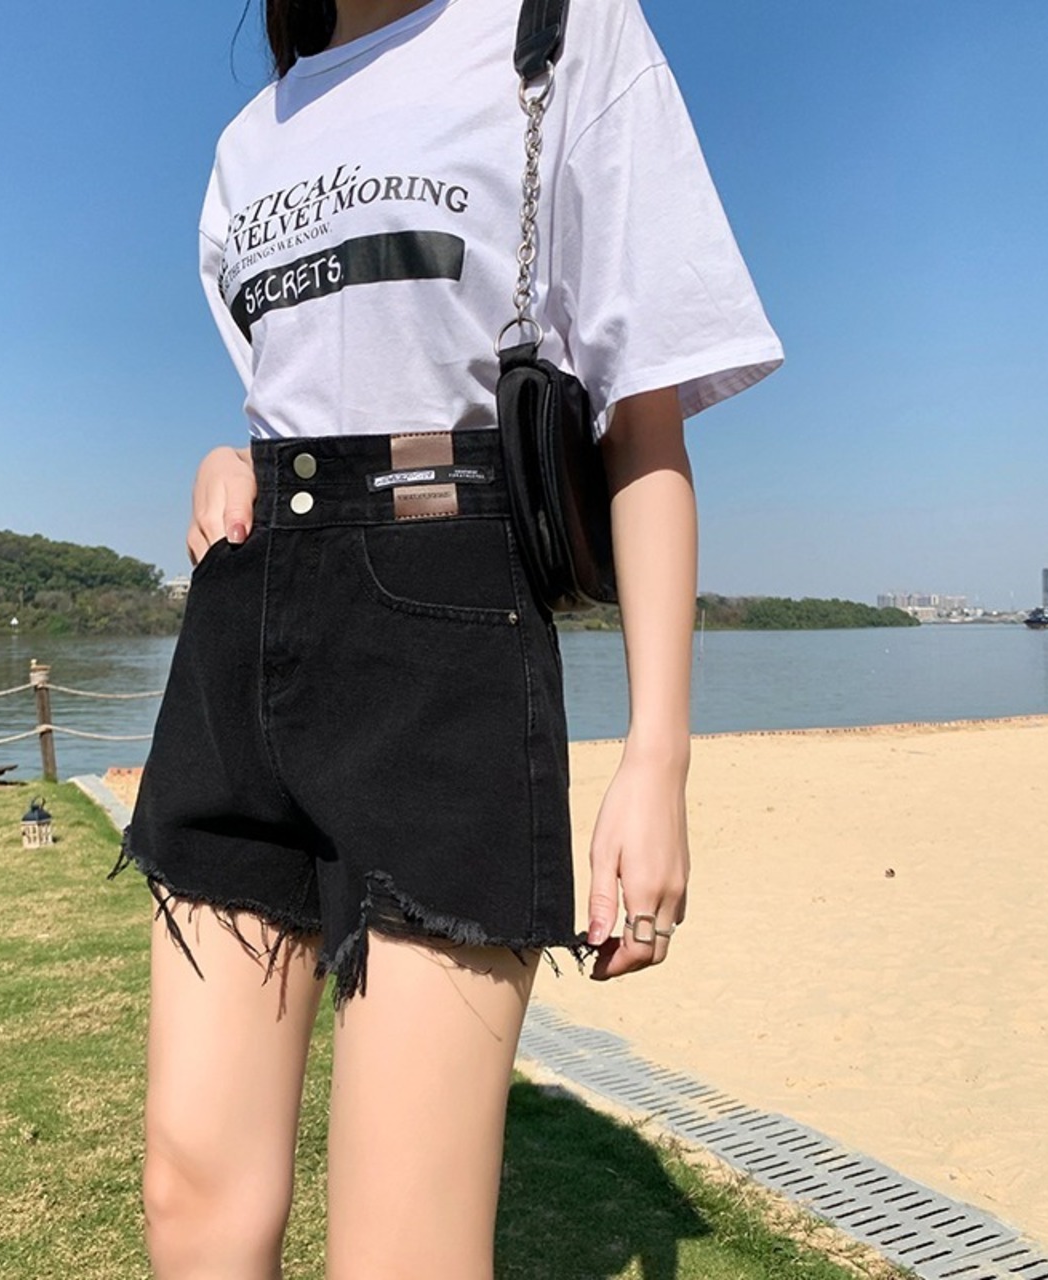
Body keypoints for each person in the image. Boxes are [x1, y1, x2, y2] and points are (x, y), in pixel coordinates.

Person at [111, 0, 783, 1275]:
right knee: (188, 1196)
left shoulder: (557, 33)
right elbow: (303, 395)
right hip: (239, 638)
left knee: (403, 1244)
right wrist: (231, 457)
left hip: (442, 638)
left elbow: (639, 424)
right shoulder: (250, 137)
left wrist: (656, 755)